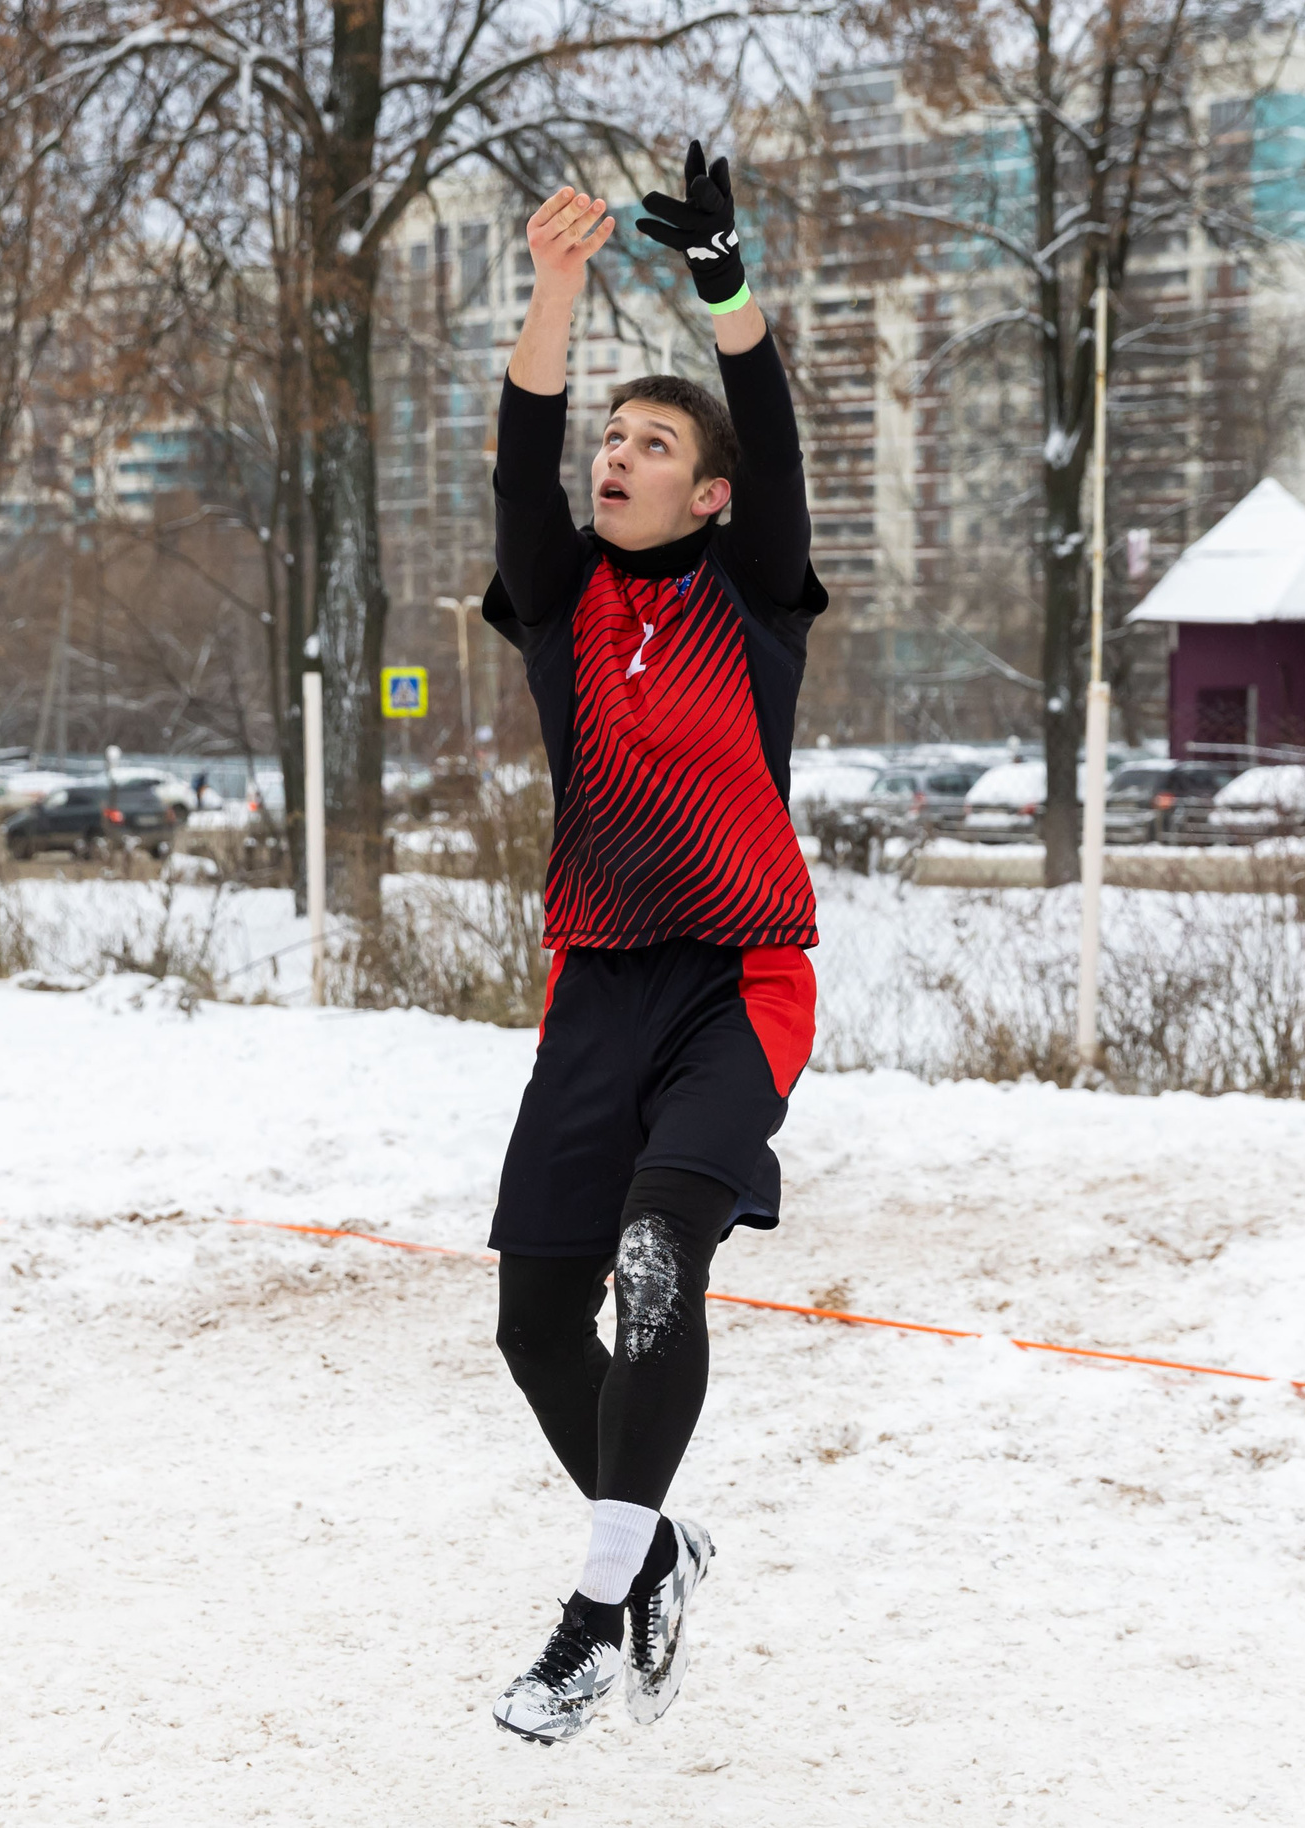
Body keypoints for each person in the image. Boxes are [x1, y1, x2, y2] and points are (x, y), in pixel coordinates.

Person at [482, 144, 823, 1743]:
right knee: (535, 1319)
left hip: (739, 981)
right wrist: (554, 292)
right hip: (595, 987)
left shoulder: (751, 597)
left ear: (709, 489)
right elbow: (514, 463)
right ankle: (661, 1544)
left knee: (655, 1256)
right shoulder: (557, 604)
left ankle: (587, 1618)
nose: (617, 457)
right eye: (609, 438)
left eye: (651, 443)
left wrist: (726, 289)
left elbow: (779, 437)